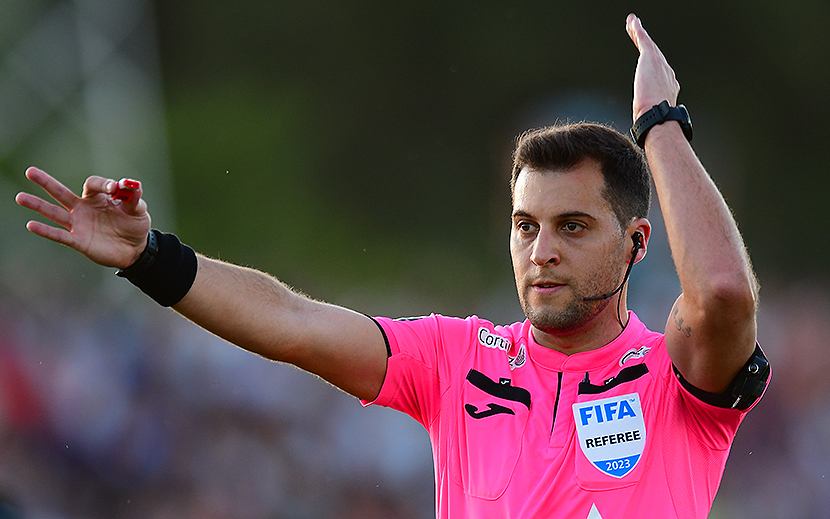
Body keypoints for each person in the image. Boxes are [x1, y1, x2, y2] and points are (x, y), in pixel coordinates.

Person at [15, 14, 768, 519]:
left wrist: (660, 127)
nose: (541, 251)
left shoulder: (675, 372)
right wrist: (150, 256)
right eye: (525, 226)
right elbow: (293, 322)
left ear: (638, 243)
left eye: (573, 227)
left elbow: (726, 292)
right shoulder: (458, 358)